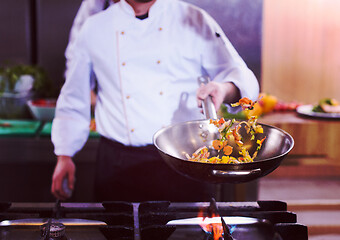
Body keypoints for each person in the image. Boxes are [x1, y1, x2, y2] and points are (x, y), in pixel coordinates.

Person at [51, 0, 259, 202]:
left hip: (186, 160)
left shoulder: (195, 19)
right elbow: (74, 98)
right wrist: (64, 154)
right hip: (118, 165)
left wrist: (223, 88)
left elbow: (238, 74)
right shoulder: (94, 28)